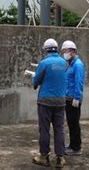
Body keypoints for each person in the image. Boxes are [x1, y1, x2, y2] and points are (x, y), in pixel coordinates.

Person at [32, 38, 67, 168]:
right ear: (56, 49)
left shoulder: (44, 63)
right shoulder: (64, 63)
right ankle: (60, 158)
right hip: (60, 101)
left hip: (45, 101)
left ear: (46, 50)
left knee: (44, 129)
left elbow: (36, 80)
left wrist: (34, 81)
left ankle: (44, 157)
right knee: (59, 129)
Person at [61, 40, 86, 156]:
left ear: (72, 51)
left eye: (65, 51)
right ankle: (72, 145)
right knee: (71, 123)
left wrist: (77, 97)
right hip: (68, 98)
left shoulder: (78, 64)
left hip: (73, 99)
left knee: (74, 123)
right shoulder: (71, 64)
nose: (64, 54)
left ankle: (76, 148)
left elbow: (79, 82)